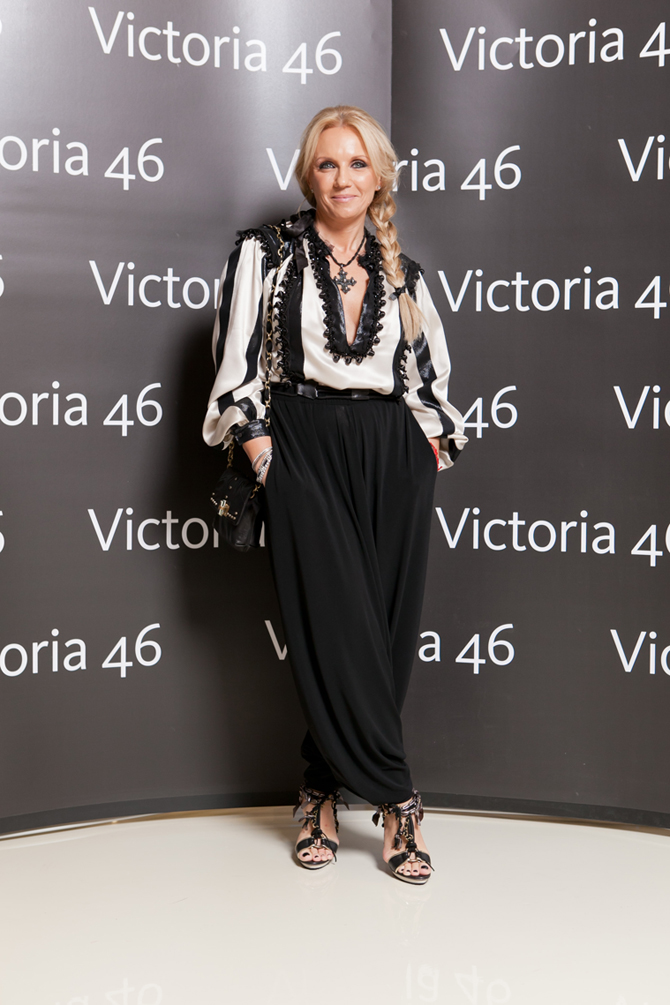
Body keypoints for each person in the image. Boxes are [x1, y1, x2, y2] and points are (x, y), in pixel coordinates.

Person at [203, 106, 466, 884]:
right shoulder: (265, 254)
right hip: (302, 446)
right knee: (333, 622)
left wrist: (426, 450)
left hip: (392, 453)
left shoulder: (403, 270)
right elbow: (235, 363)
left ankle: (318, 792)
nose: (343, 178)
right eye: (327, 163)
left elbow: (428, 375)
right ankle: (400, 801)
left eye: (357, 163)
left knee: (382, 632)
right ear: (307, 174)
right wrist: (264, 456)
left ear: (378, 176)